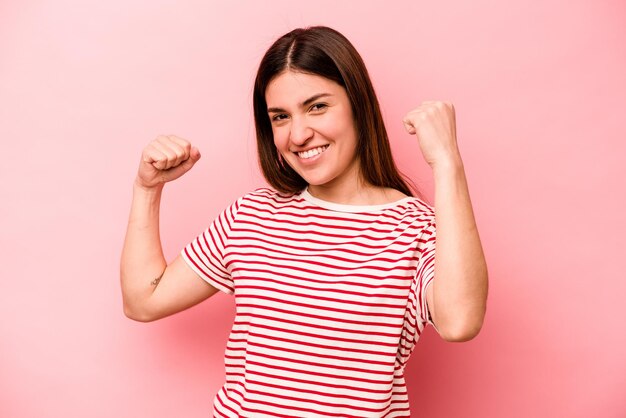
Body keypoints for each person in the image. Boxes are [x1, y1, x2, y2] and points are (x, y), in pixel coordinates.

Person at [121, 26, 488, 418]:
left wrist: (447, 163)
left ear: (358, 105)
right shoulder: (252, 216)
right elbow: (144, 301)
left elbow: (460, 321)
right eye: (280, 116)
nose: (298, 134)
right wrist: (147, 189)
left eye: (317, 106)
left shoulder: (415, 229)